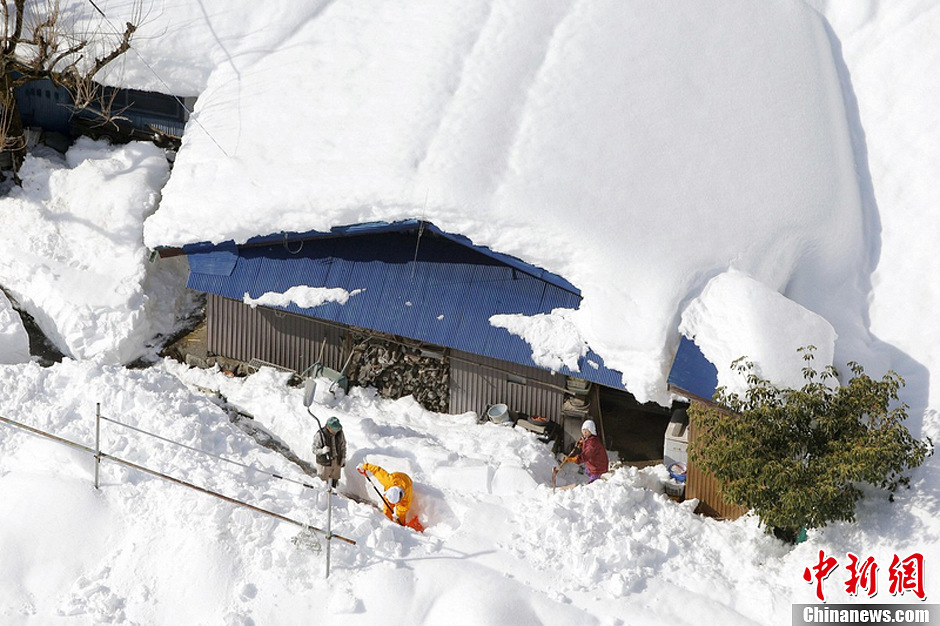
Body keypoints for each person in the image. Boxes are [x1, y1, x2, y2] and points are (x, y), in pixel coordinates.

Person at [356, 461, 414, 526]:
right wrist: (364, 466)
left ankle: (397, 526)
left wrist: (400, 524)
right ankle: (387, 522)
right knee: (387, 508)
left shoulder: (406, 497)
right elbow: (377, 470)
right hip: (395, 477)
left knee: (400, 514)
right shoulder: (388, 481)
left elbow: (401, 512)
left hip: (406, 479)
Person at [312, 416, 346, 488]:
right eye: (334, 430)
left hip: (336, 461)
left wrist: (343, 457)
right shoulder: (320, 435)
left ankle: (334, 496)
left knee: (334, 481)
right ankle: (324, 497)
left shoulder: (340, 433)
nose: (335, 432)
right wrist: (322, 451)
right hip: (324, 463)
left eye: (337, 430)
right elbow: (314, 449)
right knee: (323, 484)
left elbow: (343, 446)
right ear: (328, 427)